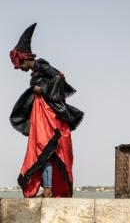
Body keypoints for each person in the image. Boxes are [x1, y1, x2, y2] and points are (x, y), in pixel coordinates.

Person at [9, 23, 84, 198]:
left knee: (46, 150)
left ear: (24, 59)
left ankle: (49, 189)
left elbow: (59, 77)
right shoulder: (35, 71)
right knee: (43, 152)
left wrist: (43, 90)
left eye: (19, 64)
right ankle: (47, 188)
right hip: (41, 113)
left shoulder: (41, 65)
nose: (19, 68)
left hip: (49, 115)